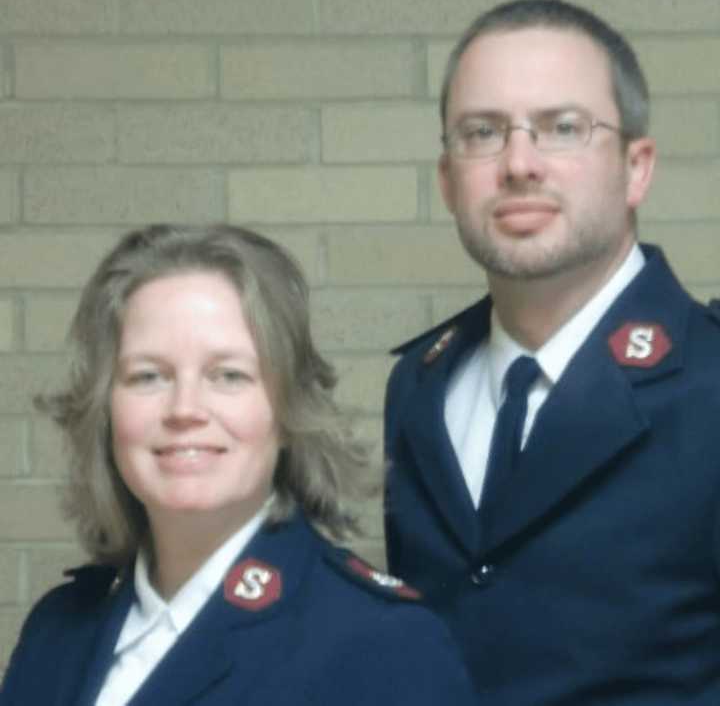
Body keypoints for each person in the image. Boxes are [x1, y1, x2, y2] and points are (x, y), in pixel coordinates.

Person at [384, 0, 720, 706]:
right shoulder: (419, 386)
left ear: (637, 167)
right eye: (482, 132)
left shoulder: (710, 381)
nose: (519, 163)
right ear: (446, 179)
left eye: (562, 128)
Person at [1, 224, 477, 706]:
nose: (185, 409)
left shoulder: (386, 645)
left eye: (228, 375)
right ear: (105, 410)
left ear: (289, 409)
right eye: (148, 376)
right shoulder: (56, 631)